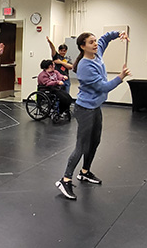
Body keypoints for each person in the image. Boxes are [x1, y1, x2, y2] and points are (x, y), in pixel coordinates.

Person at [55, 31, 130, 201]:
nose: (95, 44)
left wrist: (118, 34)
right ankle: (65, 180)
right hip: (85, 109)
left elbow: (104, 39)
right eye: (91, 42)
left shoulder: (97, 53)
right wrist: (121, 77)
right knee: (81, 146)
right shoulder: (85, 66)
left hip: (95, 107)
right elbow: (103, 87)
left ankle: (84, 172)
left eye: (95, 41)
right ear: (83, 46)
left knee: (95, 141)